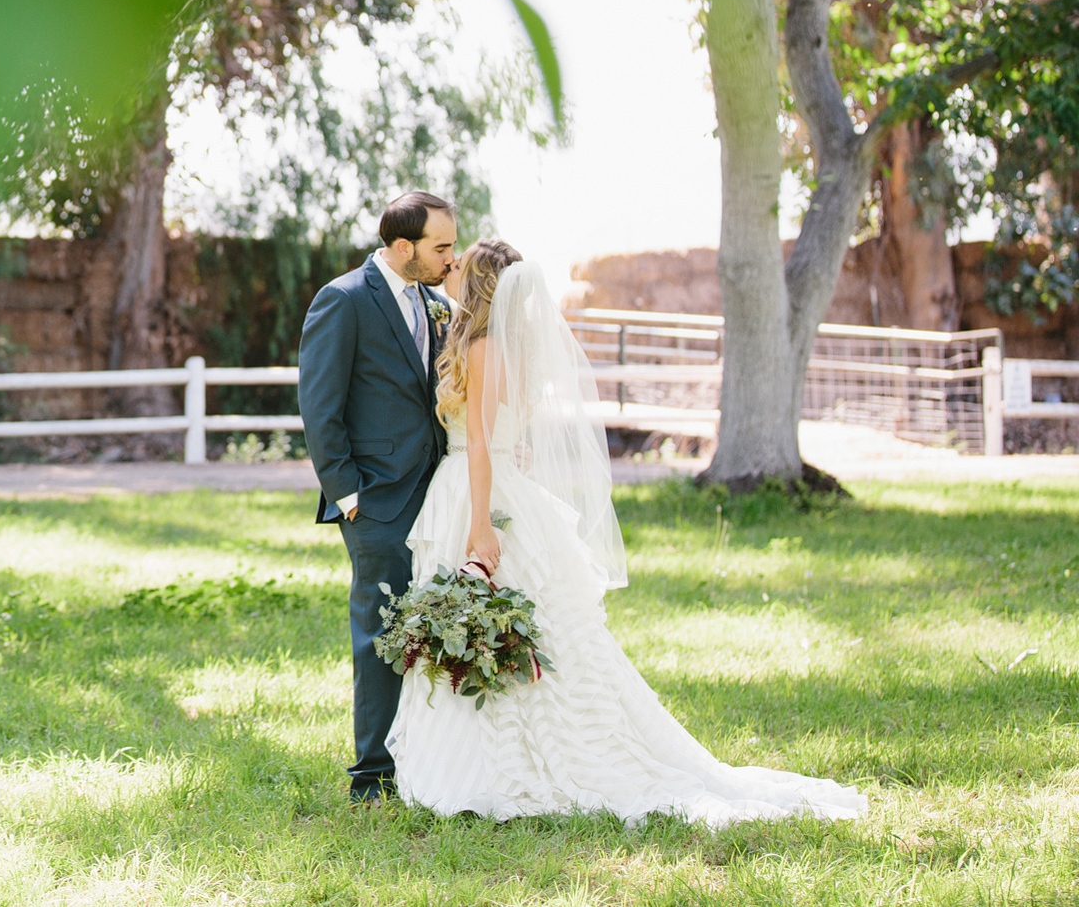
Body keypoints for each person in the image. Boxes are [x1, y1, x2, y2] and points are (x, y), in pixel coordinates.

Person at [386, 239, 868, 826]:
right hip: (484, 484)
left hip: (476, 494)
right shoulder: (498, 344)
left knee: (506, 623)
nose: (450, 267)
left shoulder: (485, 346)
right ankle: (478, 753)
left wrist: (481, 524)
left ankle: (506, 762)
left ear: (482, 284)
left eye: (460, 264)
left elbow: (483, 441)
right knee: (509, 625)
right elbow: (507, 432)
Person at [298, 190, 458, 805]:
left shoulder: (435, 302)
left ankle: (426, 755)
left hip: (438, 491)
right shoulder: (342, 300)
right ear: (401, 247)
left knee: (432, 625)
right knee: (381, 630)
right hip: (375, 500)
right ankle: (373, 775)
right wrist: (347, 494)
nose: (451, 256)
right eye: (440, 247)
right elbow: (320, 406)